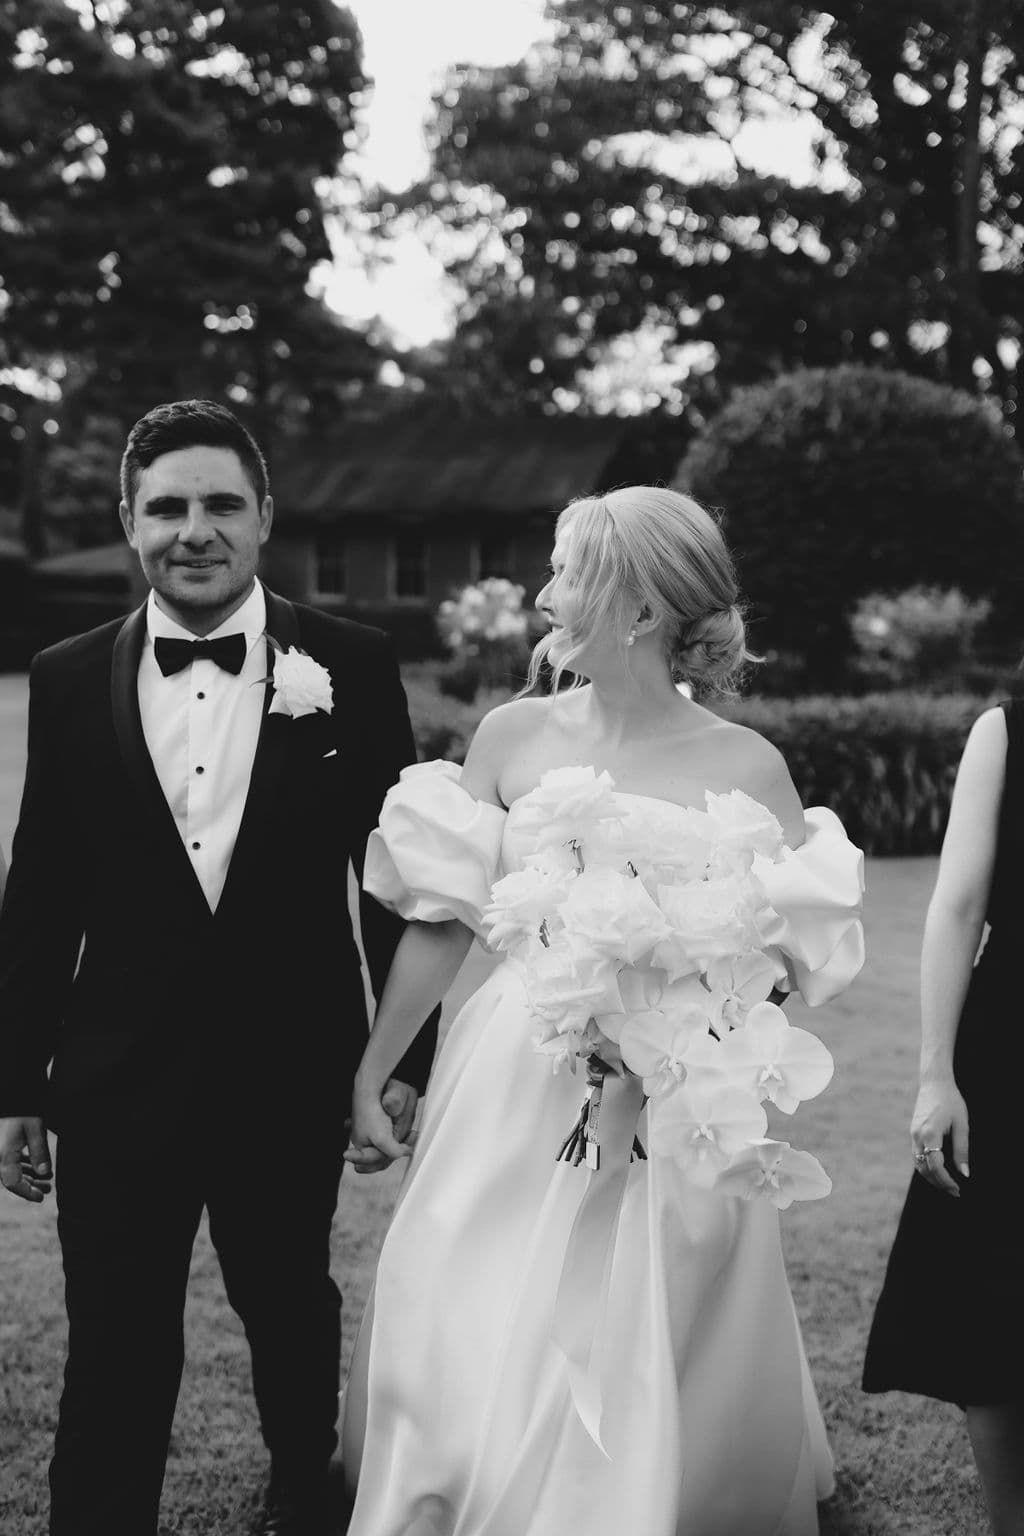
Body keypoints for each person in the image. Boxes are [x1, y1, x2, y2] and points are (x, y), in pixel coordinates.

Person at [340, 487, 865, 1536]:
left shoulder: (746, 767)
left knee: (659, 1299)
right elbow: (445, 923)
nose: (543, 596)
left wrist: (674, 1038)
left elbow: (772, 962)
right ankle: (461, 1485)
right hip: (513, 1075)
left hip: (675, 1094)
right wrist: (373, 1067)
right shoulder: (509, 735)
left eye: (567, 573)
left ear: (634, 611)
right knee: (459, 1277)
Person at [0, 399, 435, 1536]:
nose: (195, 530)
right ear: (130, 519)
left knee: (289, 1304)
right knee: (114, 1329)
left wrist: (401, 1062)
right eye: (168, 507)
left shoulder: (351, 661)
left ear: (265, 518)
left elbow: (392, 880)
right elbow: (40, 889)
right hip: (114, 1071)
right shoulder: (64, 672)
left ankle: (304, 1492)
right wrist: (12, 1082)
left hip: (290, 1063)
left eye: (220, 505)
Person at [863, 701, 1024, 1534]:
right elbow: (957, 907)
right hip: (1011, 1048)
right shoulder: (1007, 730)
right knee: (995, 1308)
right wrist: (937, 1074)